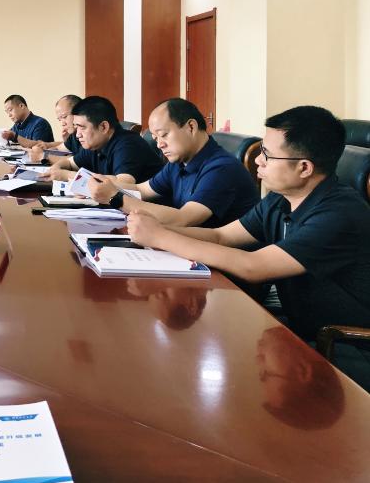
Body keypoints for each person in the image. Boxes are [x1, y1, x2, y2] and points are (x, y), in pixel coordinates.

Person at [127, 105, 370, 344]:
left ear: (304, 167)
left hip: (343, 344)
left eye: (267, 155)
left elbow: (253, 266)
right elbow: (221, 236)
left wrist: (160, 237)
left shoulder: (339, 214)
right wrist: (156, 230)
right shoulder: (280, 200)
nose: (258, 160)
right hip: (303, 329)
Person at [86, 97, 259, 227]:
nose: (159, 144)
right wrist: (103, 184)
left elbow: (183, 219)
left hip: (220, 260)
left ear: (191, 127)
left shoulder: (221, 168)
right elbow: (142, 189)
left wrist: (115, 198)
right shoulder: (178, 162)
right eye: (155, 138)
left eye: (164, 135)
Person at [40, 95, 164, 183]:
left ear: (103, 127)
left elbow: (124, 183)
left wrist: (67, 175)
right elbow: (70, 163)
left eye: (82, 128)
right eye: (76, 127)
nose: (77, 135)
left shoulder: (128, 144)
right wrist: (55, 168)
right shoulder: (96, 144)